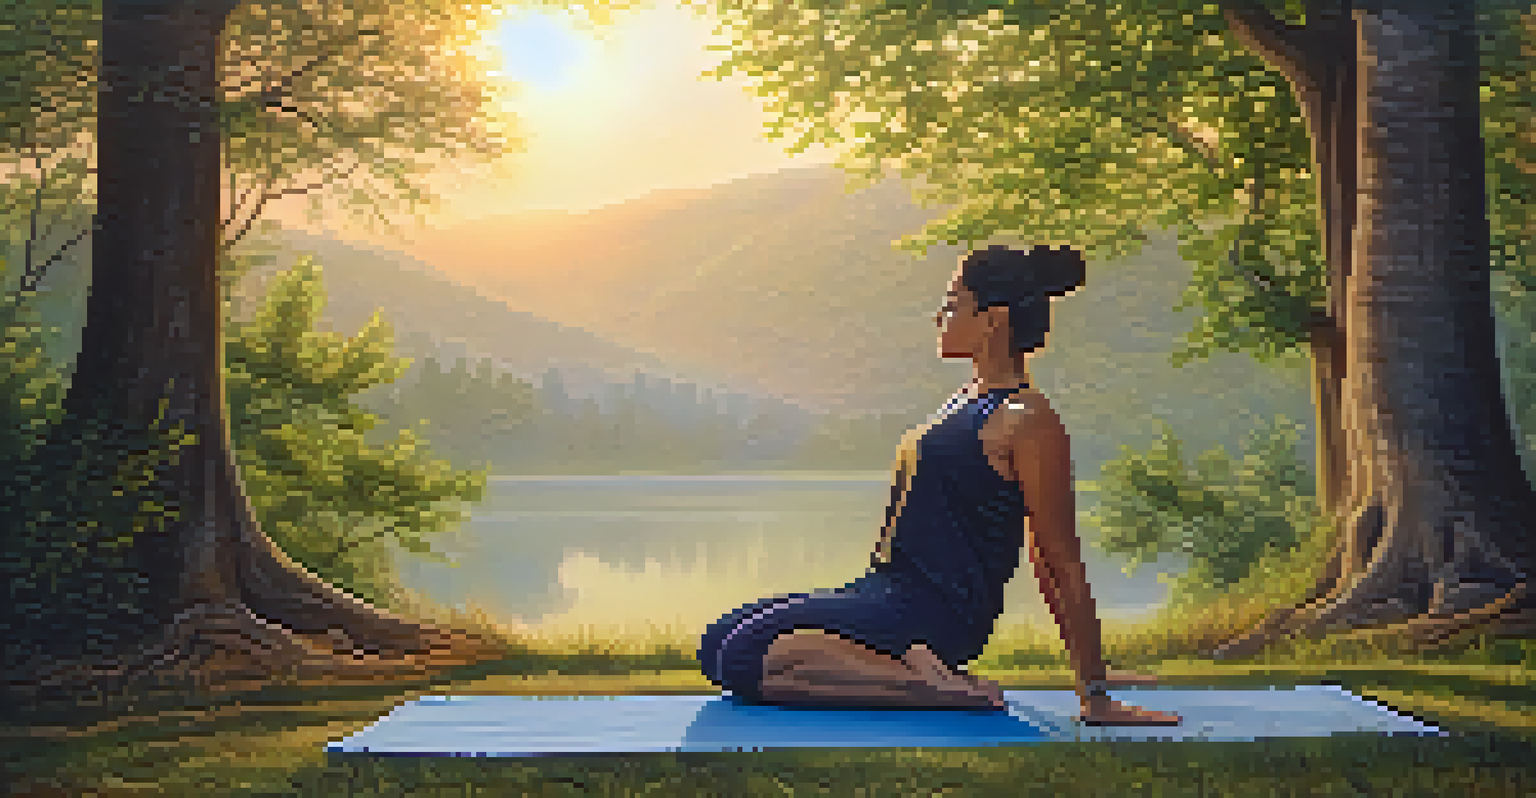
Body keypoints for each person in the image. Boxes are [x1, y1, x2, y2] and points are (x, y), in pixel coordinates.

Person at [698, 244, 1181, 726]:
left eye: (952, 304)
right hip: (887, 592)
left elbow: (1057, 560)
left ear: (993, 319)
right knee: (717, 643)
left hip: (939, 613)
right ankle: (912, 673)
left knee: (744, 655)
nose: (939, 317)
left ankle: (930, 686)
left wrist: (1094, 691)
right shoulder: (961, 402)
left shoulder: (1028, 417)